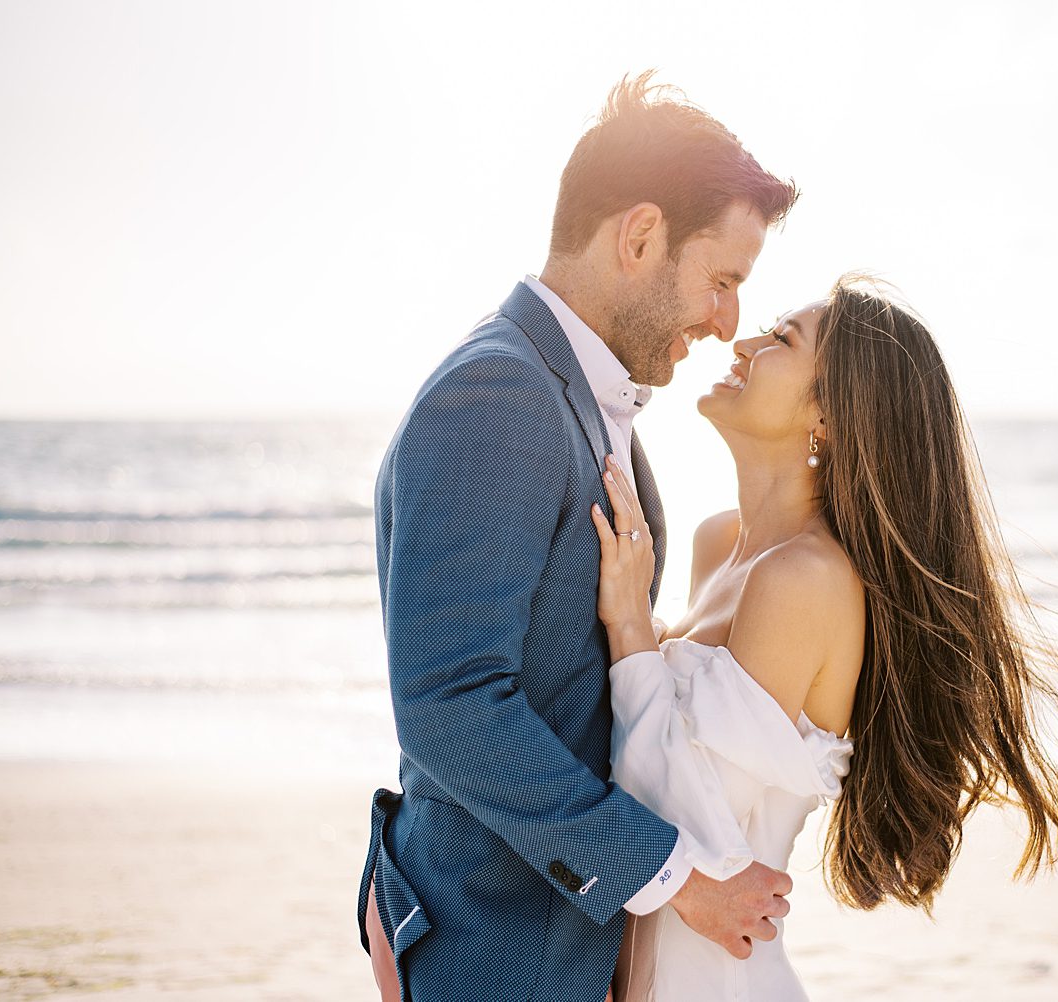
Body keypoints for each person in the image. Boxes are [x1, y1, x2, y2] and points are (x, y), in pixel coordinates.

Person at [356, 73, 799, 1002]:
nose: (727, 324)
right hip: (499, 957)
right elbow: (447, 701)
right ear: (640, 237)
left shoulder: (581, 401)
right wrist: (675, 878)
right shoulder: (498, 397)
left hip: (566, 952)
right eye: (721, 281)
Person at [591, 276, 1058, 1000]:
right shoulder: (720, 543)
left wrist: (630, 628)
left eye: (782, 341)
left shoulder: (805, 578)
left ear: (829, 418)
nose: (743, 342)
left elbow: (681, 822)